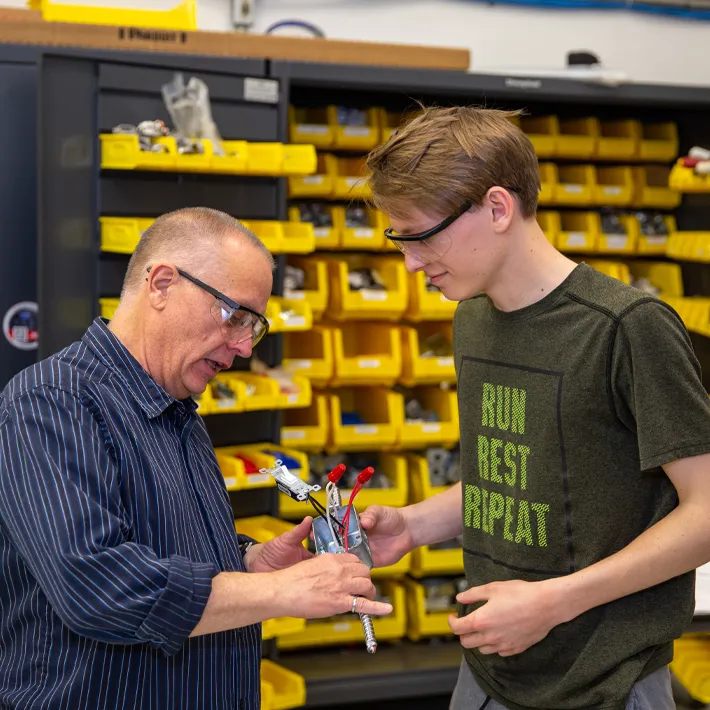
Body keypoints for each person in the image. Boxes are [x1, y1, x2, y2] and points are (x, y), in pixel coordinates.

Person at [360, 107, 710, 710]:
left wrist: (556, 601)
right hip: (491, 671)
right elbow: (512, 476)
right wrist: (416, 525)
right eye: (399, 241)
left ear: (498, 208)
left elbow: (706, 512)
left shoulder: (626, 328)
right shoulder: (472, 320)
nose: (411, 264)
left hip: (605, 683)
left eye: (420, 237)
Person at [0, 207, 391, 710]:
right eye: (235, 316)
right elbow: (98, 587)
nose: (246, 347)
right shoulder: (52, 401)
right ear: (161, 284)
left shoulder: (178, 407)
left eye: (256, 327)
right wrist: (282, 593)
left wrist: (249, 563)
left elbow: (155, 540)